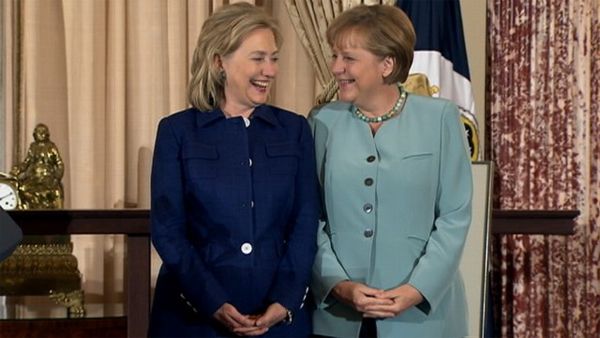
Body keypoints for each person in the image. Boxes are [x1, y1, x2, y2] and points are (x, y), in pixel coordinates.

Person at [149, 2, 320, 337]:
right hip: (193, 318)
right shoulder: (178, 132)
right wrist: (211, 300)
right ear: (219, 62)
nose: (270, 70)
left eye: (274, 58)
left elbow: (305, 221)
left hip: (280, 319)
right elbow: (168, 229)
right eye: (258, 58)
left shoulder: (295, 130)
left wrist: (285, 300)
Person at [310, 4, 473, 338]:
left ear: (387, 64)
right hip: (339, 319)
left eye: (349, 58)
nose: (336, 67)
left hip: (424, 319)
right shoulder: (322, 121)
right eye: (335, 56)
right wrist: (337, 284)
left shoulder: (439, 117)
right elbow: (309, 216)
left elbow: (455, 215)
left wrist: (417, 289)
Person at [10, 123, 64, 209]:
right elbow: (26, 162)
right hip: (33, 178)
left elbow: (59, 163)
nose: (41, 134)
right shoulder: (33, 147)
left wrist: (56, 178)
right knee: (21, 188)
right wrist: (18, 169)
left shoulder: (51, 147)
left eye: (43, 132)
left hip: (47, 178)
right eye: (38, 132)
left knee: (54, 192)